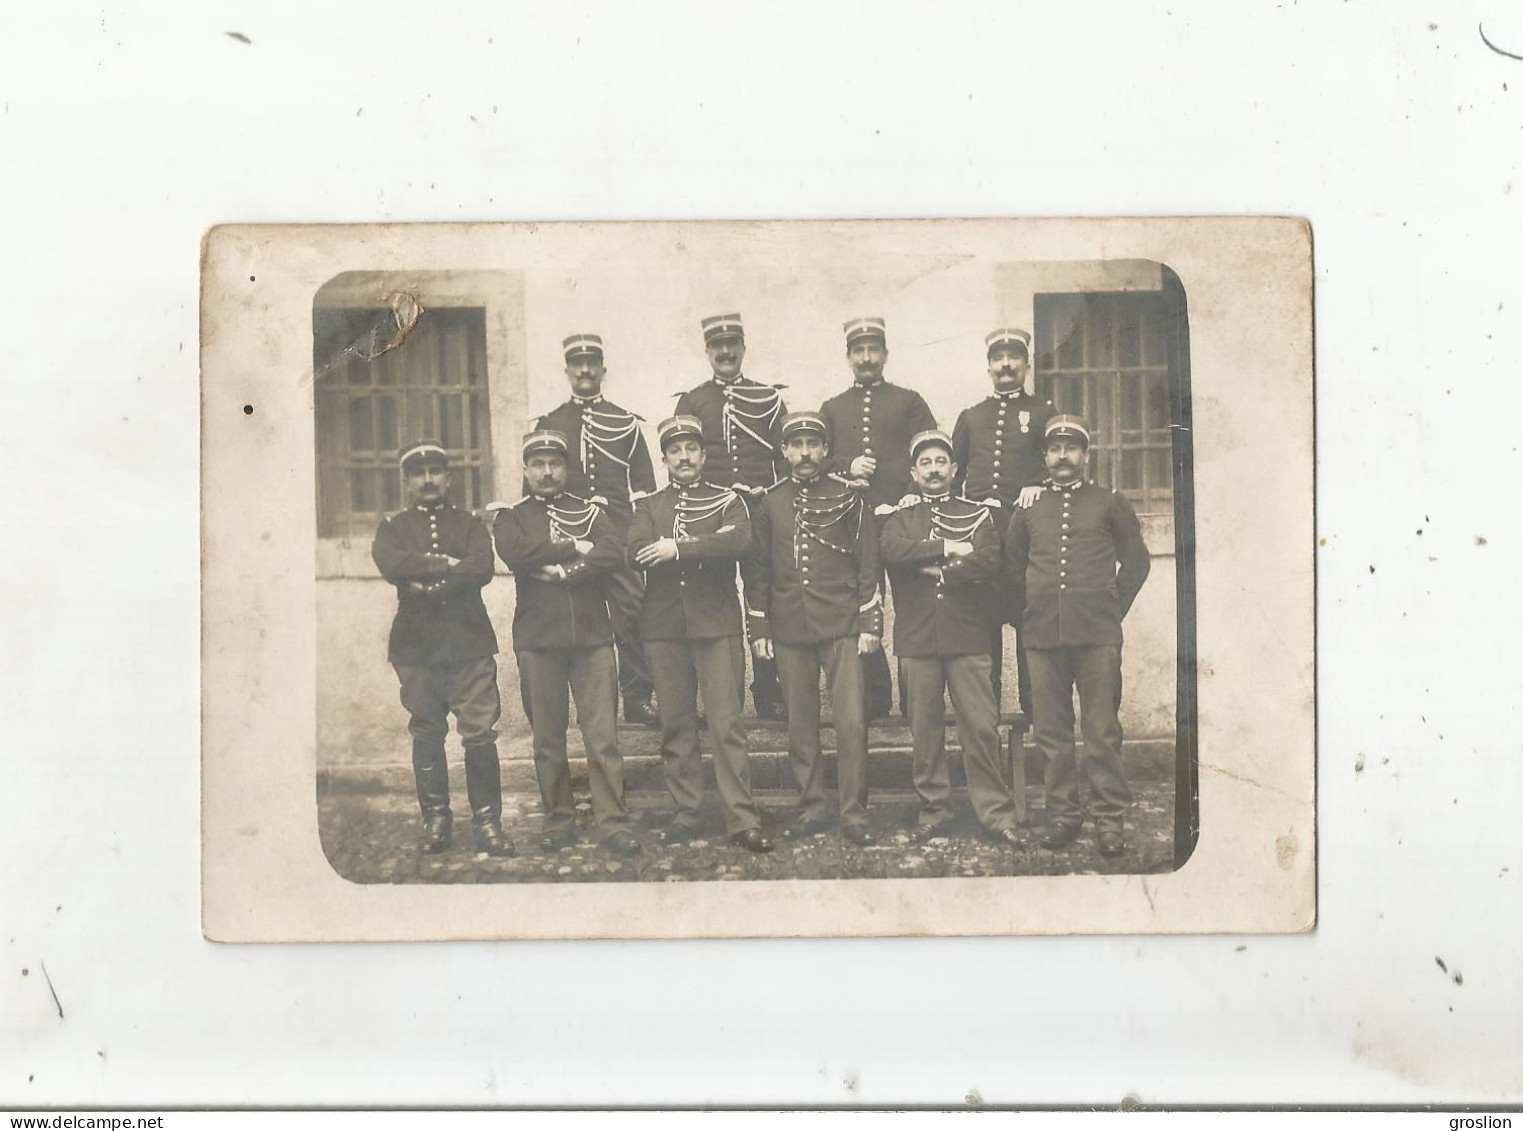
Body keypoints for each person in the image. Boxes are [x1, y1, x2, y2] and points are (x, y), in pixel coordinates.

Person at [1003, 415, 1151, 857]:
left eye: (1071, 448)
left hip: (1097, 636)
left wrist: (1109, 610)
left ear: (1085, 456)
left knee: (1102, 730)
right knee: (1051, 732)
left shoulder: (1110, 502)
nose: (1062, 456)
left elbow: (1137, 564)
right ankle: (1064, 815)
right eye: (1054, 449)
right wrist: (1027, 616)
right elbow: (1012, 571)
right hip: (1043, 636)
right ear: (1045, 457)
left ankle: (1109, 818)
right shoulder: (1027, 508)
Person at [490, 429, 641, 856]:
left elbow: (613, 551)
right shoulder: (511, 516)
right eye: (537, 464)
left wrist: (567, 572)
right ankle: (559, 818)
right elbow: (516, 553)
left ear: (566, 467)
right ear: (525, 470)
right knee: (547, 738)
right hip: (539, 639)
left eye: (554, 463)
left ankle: (613, 819)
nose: (547, 471)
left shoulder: (591, 512)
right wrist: (573, 547)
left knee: (602, 735)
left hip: (593, 636)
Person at [628, 414, 773, 853]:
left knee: (727, 724)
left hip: (717, 625)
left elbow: (740, 541)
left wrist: (677, 548)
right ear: (665, 458)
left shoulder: (728, 501)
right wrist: (703, 544)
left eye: (692, 449)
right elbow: (635, 552)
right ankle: (687, 811)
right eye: (675, 451)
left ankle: (741, 817)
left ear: (704, 456)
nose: (684, 457)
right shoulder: (649, 506)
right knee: (676, 724)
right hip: (664, 628)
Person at [371, 439, 514, 857]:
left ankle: (488, 823)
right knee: (427, 731)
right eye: (419, 474)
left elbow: (482, 567)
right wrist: (446, 565)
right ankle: (436, 820)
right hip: (416, 645)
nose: (428, 480)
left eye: (436, 471)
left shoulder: (470, 524)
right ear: (407, 481)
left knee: (480, 734)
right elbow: (389, 562)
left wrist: (425, 581)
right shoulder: (392, 526)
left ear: (448, 478)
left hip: (469, 642)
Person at [879, 430, 1022, 845]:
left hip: (968, 637)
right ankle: (934, 808)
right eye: (925, 463)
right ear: (914, 472)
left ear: (954, 469)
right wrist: (948, 547)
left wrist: (941, 569)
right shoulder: (899, 518)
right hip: (918, 638)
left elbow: (989, 558)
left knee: (980, 726)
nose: (934, 469)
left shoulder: (977, 513)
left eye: (941, 461)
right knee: (924, 730)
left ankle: (996, 813)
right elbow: (893, 551)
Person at [747, 411, 883, 846]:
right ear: (785, 451)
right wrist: (761, 628)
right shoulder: (769, 501)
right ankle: (810, 806)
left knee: (850, 722)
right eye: (796, 445)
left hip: (841, 623)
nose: (805, 454)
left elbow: (868, 562)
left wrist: (867, 622)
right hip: (789, 627)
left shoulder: (849, 496)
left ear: (825, 450)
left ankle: (854, 812)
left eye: (813, 444)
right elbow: (759, 570)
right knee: (801, 724)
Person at [534, 332, 659, 726]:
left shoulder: (625, 422)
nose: (585, 371)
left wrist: (636, 539)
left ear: (603, 369)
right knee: (582, 617)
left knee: (633, 612)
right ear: (567, 370)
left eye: (592, 363)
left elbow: (644, 491)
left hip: (618, 539)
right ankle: (595, 706)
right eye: (577, 364)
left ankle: (638, 698)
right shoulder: (550, 423)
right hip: (569, 538)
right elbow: (535, 492)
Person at [819, 316, 937, 718]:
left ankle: (915, 701)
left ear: (885, 354)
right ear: (848, 356)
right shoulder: (832, 408)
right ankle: (875, 698)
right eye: (859, 351)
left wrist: (908, 498)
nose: (866, 358)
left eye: (874, 350)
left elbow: (931, 453)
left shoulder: (909, 401)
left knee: (912, 608)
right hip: (851, 526)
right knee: (861, 606)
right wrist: (846, 463)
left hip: (902, 522)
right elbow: (817, 461)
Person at [673, 312, 789, 718]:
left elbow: (787, 455)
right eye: (717, 346)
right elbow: (681, 459)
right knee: (712, 597)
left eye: (732, 345)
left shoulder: (768, 398)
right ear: (707, 352)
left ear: (743, 348)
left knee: (764, 595)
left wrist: (771, 495)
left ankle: (770, 688)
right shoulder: (692, 401)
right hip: (714, 517)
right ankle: (719, 695)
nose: (725, 352)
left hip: (759, 511)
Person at [951, 327, 1056, 714]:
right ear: (989, 366)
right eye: (999, 358)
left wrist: (1039, 484)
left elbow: (1059, 463)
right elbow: (952, 472)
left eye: (1014, 357)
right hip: (982, 541)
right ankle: (986, 717)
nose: (1007, 365)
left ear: (1027, 364)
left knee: (1030, 629)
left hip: (1024, 542)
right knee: (983, 633)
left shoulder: (1044, 412)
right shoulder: (972, 416)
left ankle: (1035, 715)